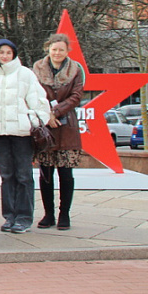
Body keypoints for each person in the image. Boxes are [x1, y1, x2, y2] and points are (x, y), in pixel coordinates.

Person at [0, 39, 51, 234]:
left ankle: (24, 217)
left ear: (14, 54)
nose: (5, 56)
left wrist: (33, 123)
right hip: (1, 134)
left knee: (24, 176)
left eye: (8, 52)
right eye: (1, 52)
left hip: (22, 134)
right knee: (7, 176)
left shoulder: (25, 74)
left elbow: (39, 102)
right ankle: (9, 216)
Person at [32, 33, 84, 231]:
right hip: (45, 127)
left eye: (61, 49)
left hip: (66, 126)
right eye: (54, 49)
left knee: (66, 174)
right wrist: (47, 115)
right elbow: (34, 94)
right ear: (48, 49)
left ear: (67, 51)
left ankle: (64, 214)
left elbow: (76, 95)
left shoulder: (75, 70)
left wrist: (56, 111)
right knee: (45, 173)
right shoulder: (37, 69)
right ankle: (49, 214)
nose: (57, 53)